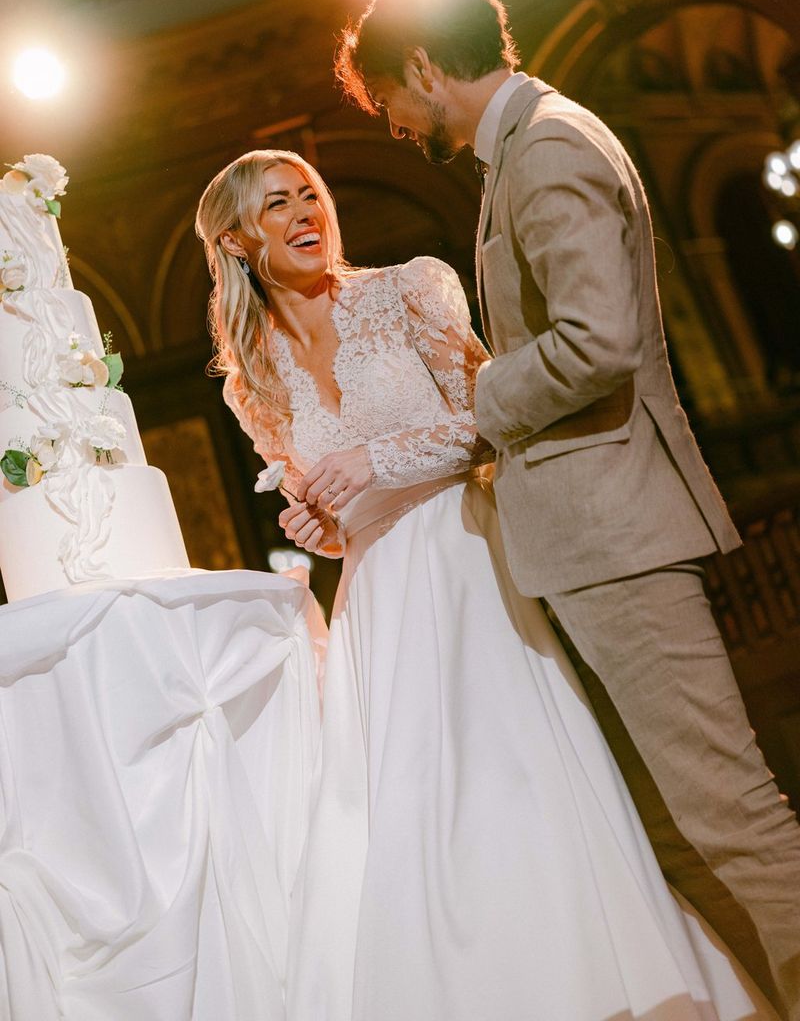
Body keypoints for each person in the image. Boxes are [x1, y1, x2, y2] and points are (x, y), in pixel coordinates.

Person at [196, 147, 779, 1021]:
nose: (306, 211)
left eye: (311, 193)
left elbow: (489, 419)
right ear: (239, 241)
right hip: (378, 598)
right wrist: (319, 526)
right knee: (415, 813)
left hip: (470, 561)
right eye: (278, 205)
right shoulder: (254, 382)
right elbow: (326, 502)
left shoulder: (408, 290)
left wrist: (375, 458)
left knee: (516, 779)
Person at [334, 0, 800, 1019]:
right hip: (596, 536)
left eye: (392, 105)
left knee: (729, 815)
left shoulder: (544, 146)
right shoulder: (528, 146)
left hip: (614, 534)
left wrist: (481, 392)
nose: (398, 127)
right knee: (710, 812)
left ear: (420, 66)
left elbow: (597, 341)